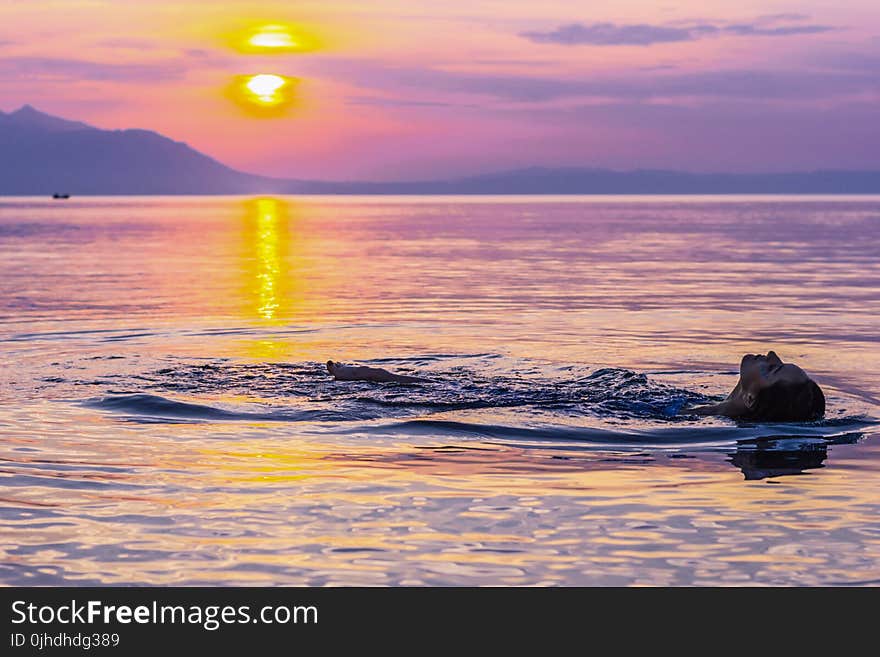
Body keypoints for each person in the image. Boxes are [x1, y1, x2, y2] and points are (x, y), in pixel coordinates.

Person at [326, 350, 825, 422]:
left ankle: (372, 381)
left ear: (754, 395)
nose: (774, 357)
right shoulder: (691, 407)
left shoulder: (679, 423)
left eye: (777, 369)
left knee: (455, 397)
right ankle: (377, 379)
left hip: (584, 408)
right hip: (592, 399)